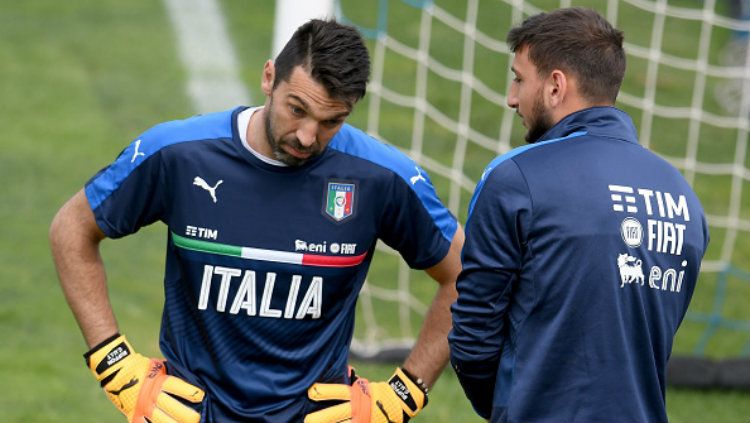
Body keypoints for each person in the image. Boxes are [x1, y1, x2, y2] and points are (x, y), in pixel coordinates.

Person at [50, 18, 463, 423]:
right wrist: (114, 364)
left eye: (330, 122)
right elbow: (72, 229)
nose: (307, 136)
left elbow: (465, 274)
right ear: (269, 78)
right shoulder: (179, 154)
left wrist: (406, 392)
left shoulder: (379, 177)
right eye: (296, 109)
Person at [448, 7, 709, 423]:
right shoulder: (682, 196)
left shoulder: (516, 178)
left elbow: (472, 335)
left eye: (519, 78)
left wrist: (508, 405)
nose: (512, 97)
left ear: (555, 86)